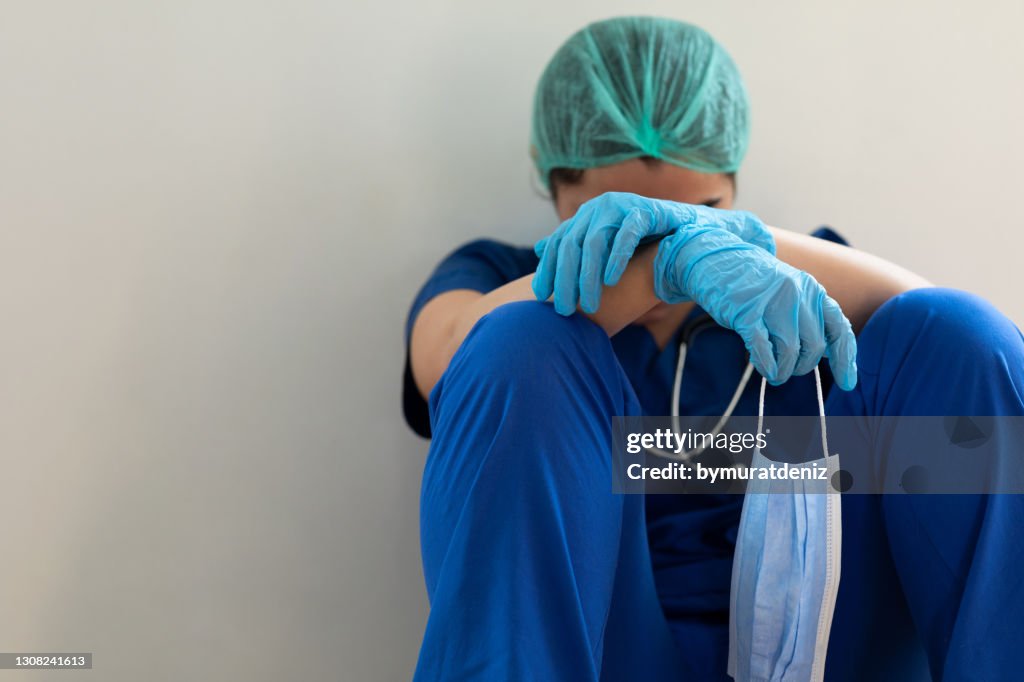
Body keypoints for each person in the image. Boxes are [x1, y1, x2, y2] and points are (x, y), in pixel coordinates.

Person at [402, 16, 1024, 681]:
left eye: (700, 206)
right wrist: (656, 268)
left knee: (954, 331)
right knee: (517, 344)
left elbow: (962, 352)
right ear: (556, 186)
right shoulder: (497, 278)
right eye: (628, 219)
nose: (666, 233)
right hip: (608, 645)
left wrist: (724, 240)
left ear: (732, 184)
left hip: (826, 636)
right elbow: (445, 359)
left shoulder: (789, 284)